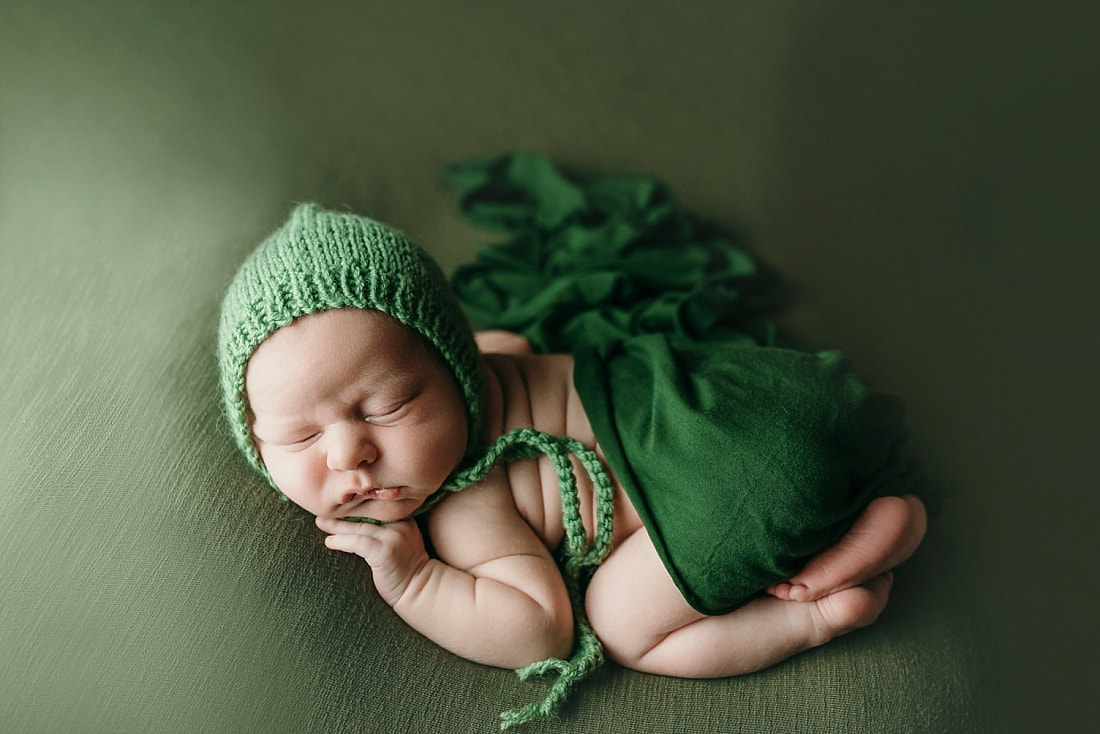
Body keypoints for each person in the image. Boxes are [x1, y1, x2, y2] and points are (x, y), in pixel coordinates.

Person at [218, 196, 926, 728]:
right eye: (300, 438)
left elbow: (541, 627)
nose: (351, 454)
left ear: (454, 362)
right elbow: (508, 339)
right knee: (816, 457)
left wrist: (412, 580)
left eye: (384, 407)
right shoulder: (495, 357)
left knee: (619, 622)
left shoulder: (468, 502)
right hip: (761, 397)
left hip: (722, 475)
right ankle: (882, 504)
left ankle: (821, 612)